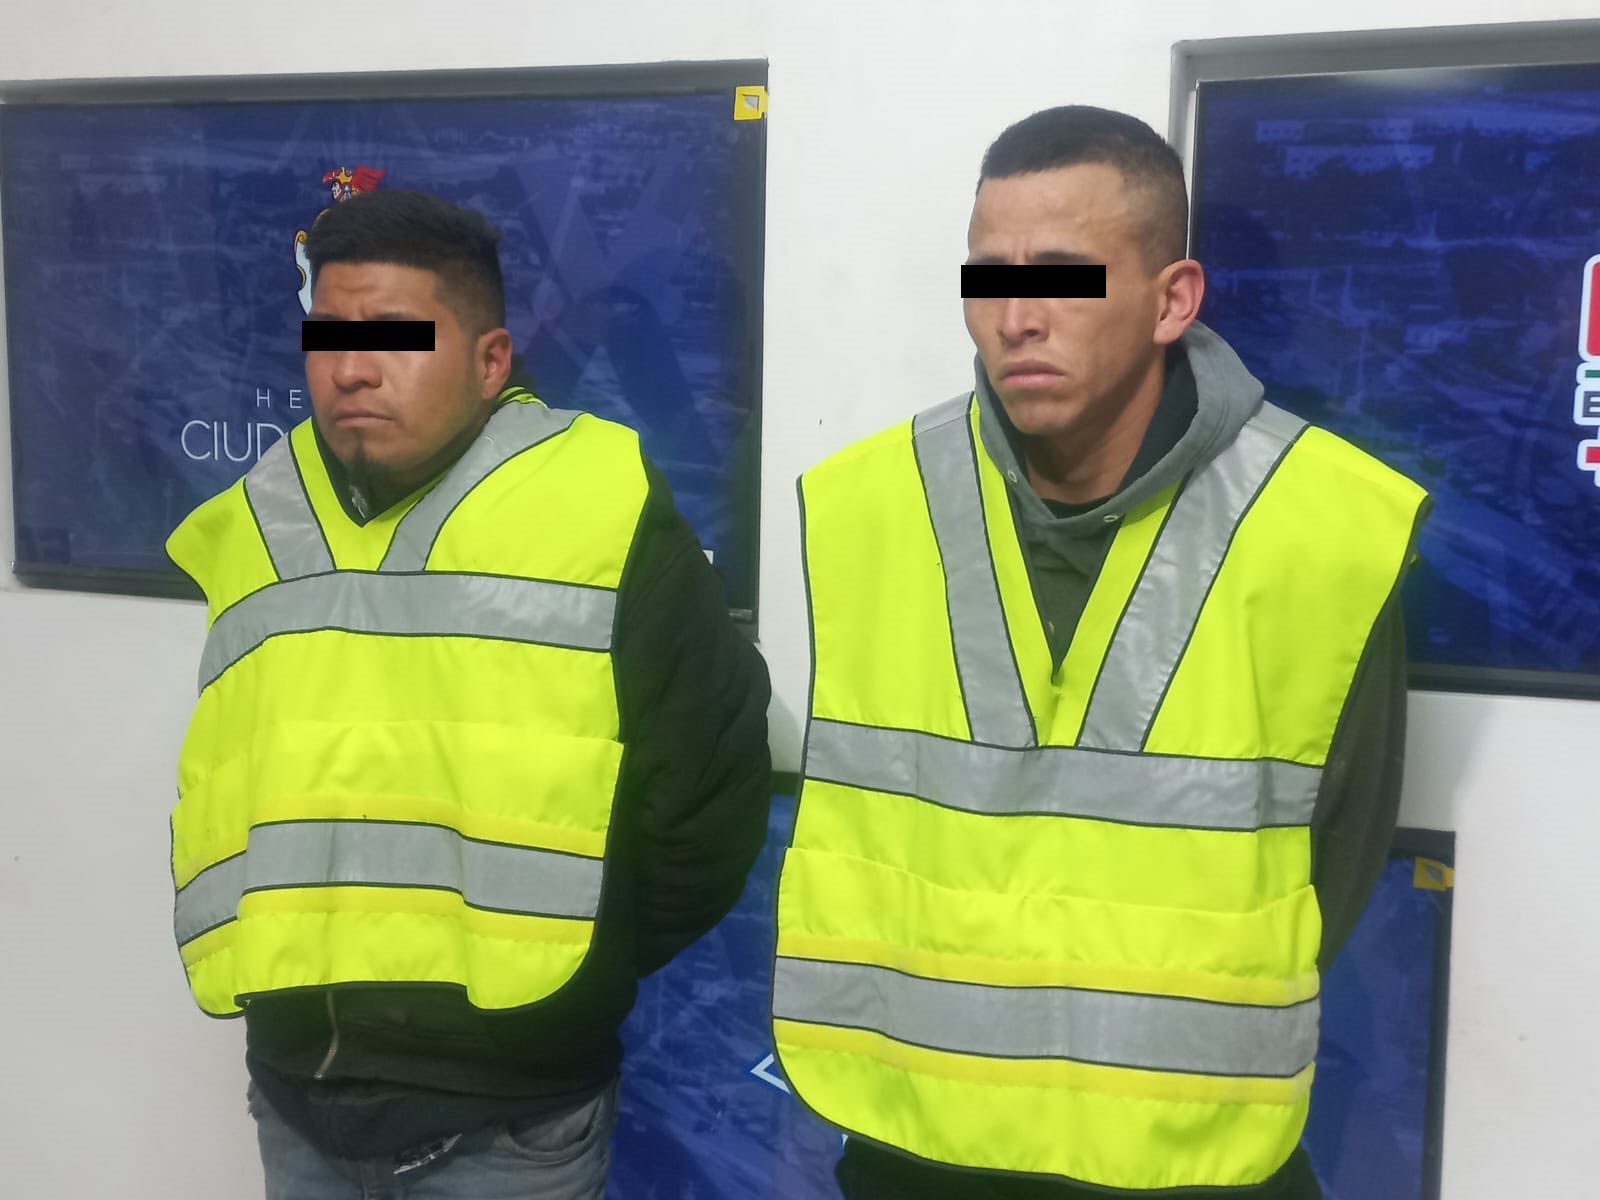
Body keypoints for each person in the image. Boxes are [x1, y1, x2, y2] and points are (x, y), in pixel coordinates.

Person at [772, 107, 1429, 1199]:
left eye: (1064, 278)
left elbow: (1340, 848)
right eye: (988, 278)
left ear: (1173, 300)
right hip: (912, 1145)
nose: (1017, 317)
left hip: (1193, 1159)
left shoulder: (1322, 526)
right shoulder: (870, 503)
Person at [166, 188, 771, 1199]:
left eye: (397, 336)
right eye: (329, 336)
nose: (353, 369)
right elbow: (231, 780)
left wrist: (580, 970)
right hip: (296, 1097)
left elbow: (708, 802)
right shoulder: (258, 515)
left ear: (492, 362)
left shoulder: (598, 503)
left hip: (508, 1122)